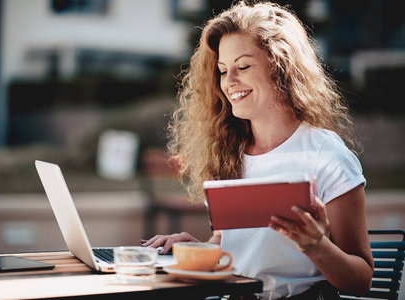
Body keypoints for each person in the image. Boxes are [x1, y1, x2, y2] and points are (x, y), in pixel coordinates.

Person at [142, 1, 374, 299]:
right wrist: (198, 249)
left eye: (243, 66)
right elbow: (237, 247)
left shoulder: (327, 156)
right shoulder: (229, 152)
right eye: (223, 71)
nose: (229, 82)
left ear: (282, 67)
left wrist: (316, 245)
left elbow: (361, 278)